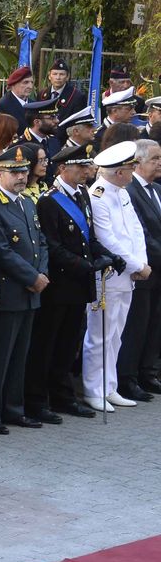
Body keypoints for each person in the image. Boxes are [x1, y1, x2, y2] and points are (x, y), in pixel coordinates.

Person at [27, 141, 108, 420]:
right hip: (60, 284)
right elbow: (52, 244)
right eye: (81, 166)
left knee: (68, 343)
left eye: (87, 165)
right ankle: (37, 400)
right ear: (63, 168)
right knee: (47, 343)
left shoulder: (82, 194)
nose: (87, 170)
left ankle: (62, 396)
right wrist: (84, 265)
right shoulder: (50, 201)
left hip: (78, 283)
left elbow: (89, 237)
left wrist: (106, 256)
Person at [0, 145, 50, 433]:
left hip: (31, 291)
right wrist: (32, 276)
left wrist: (42, 271)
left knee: (20, 355)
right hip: (10, 291)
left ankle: (13, 408)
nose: (21, 177)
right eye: (14, 172)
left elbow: (39, 241)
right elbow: (1, 252)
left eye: (23, 171)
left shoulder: (27, 203)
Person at [84, 141, 150, 411]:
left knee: (116, 335)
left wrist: (141, 263)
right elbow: (107, 239)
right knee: (100, 334)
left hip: (128, 275)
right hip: (110, 276)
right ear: (119, 172)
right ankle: (94, 389)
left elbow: (135, 231)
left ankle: (109, 386)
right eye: (130, 168)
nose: (133, 172)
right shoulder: (98, 194)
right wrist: (135, 265)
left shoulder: (122, 192)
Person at [117, 139, 161, 402]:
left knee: (154, 324)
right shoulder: (130, 191)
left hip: (158, 271)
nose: (159, 163)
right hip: (142, 270)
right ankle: (127, 378)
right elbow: (141, 236)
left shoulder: (156, 189)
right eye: (154, 159)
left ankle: (148, 372)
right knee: (136, 326)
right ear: (138, 163)